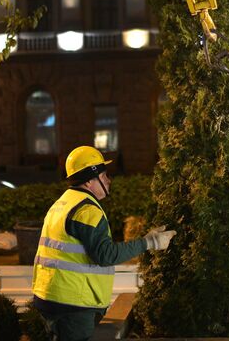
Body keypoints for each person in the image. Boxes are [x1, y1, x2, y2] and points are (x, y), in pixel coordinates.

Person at [32, 146, 176, 341]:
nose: (108, 180)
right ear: (90, 180)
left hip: (50, 296)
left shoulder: (64, 202)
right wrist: (150, 242)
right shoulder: (87, 211)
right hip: (72, 304)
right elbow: (105, 255)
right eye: (104, 174)